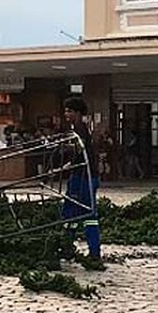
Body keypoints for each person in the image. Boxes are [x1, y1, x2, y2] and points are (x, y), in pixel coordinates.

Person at [61, 97, 102, 262]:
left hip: (86, 177)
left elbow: (82, 154)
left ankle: (94, 251)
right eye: (65, 111)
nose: (66, 114)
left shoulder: (81, 130)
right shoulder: (76, 129)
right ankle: (67, 247)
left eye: (69, 111)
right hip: (78, 176)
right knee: (70, 212)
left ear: (77, 113)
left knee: (88, 214)